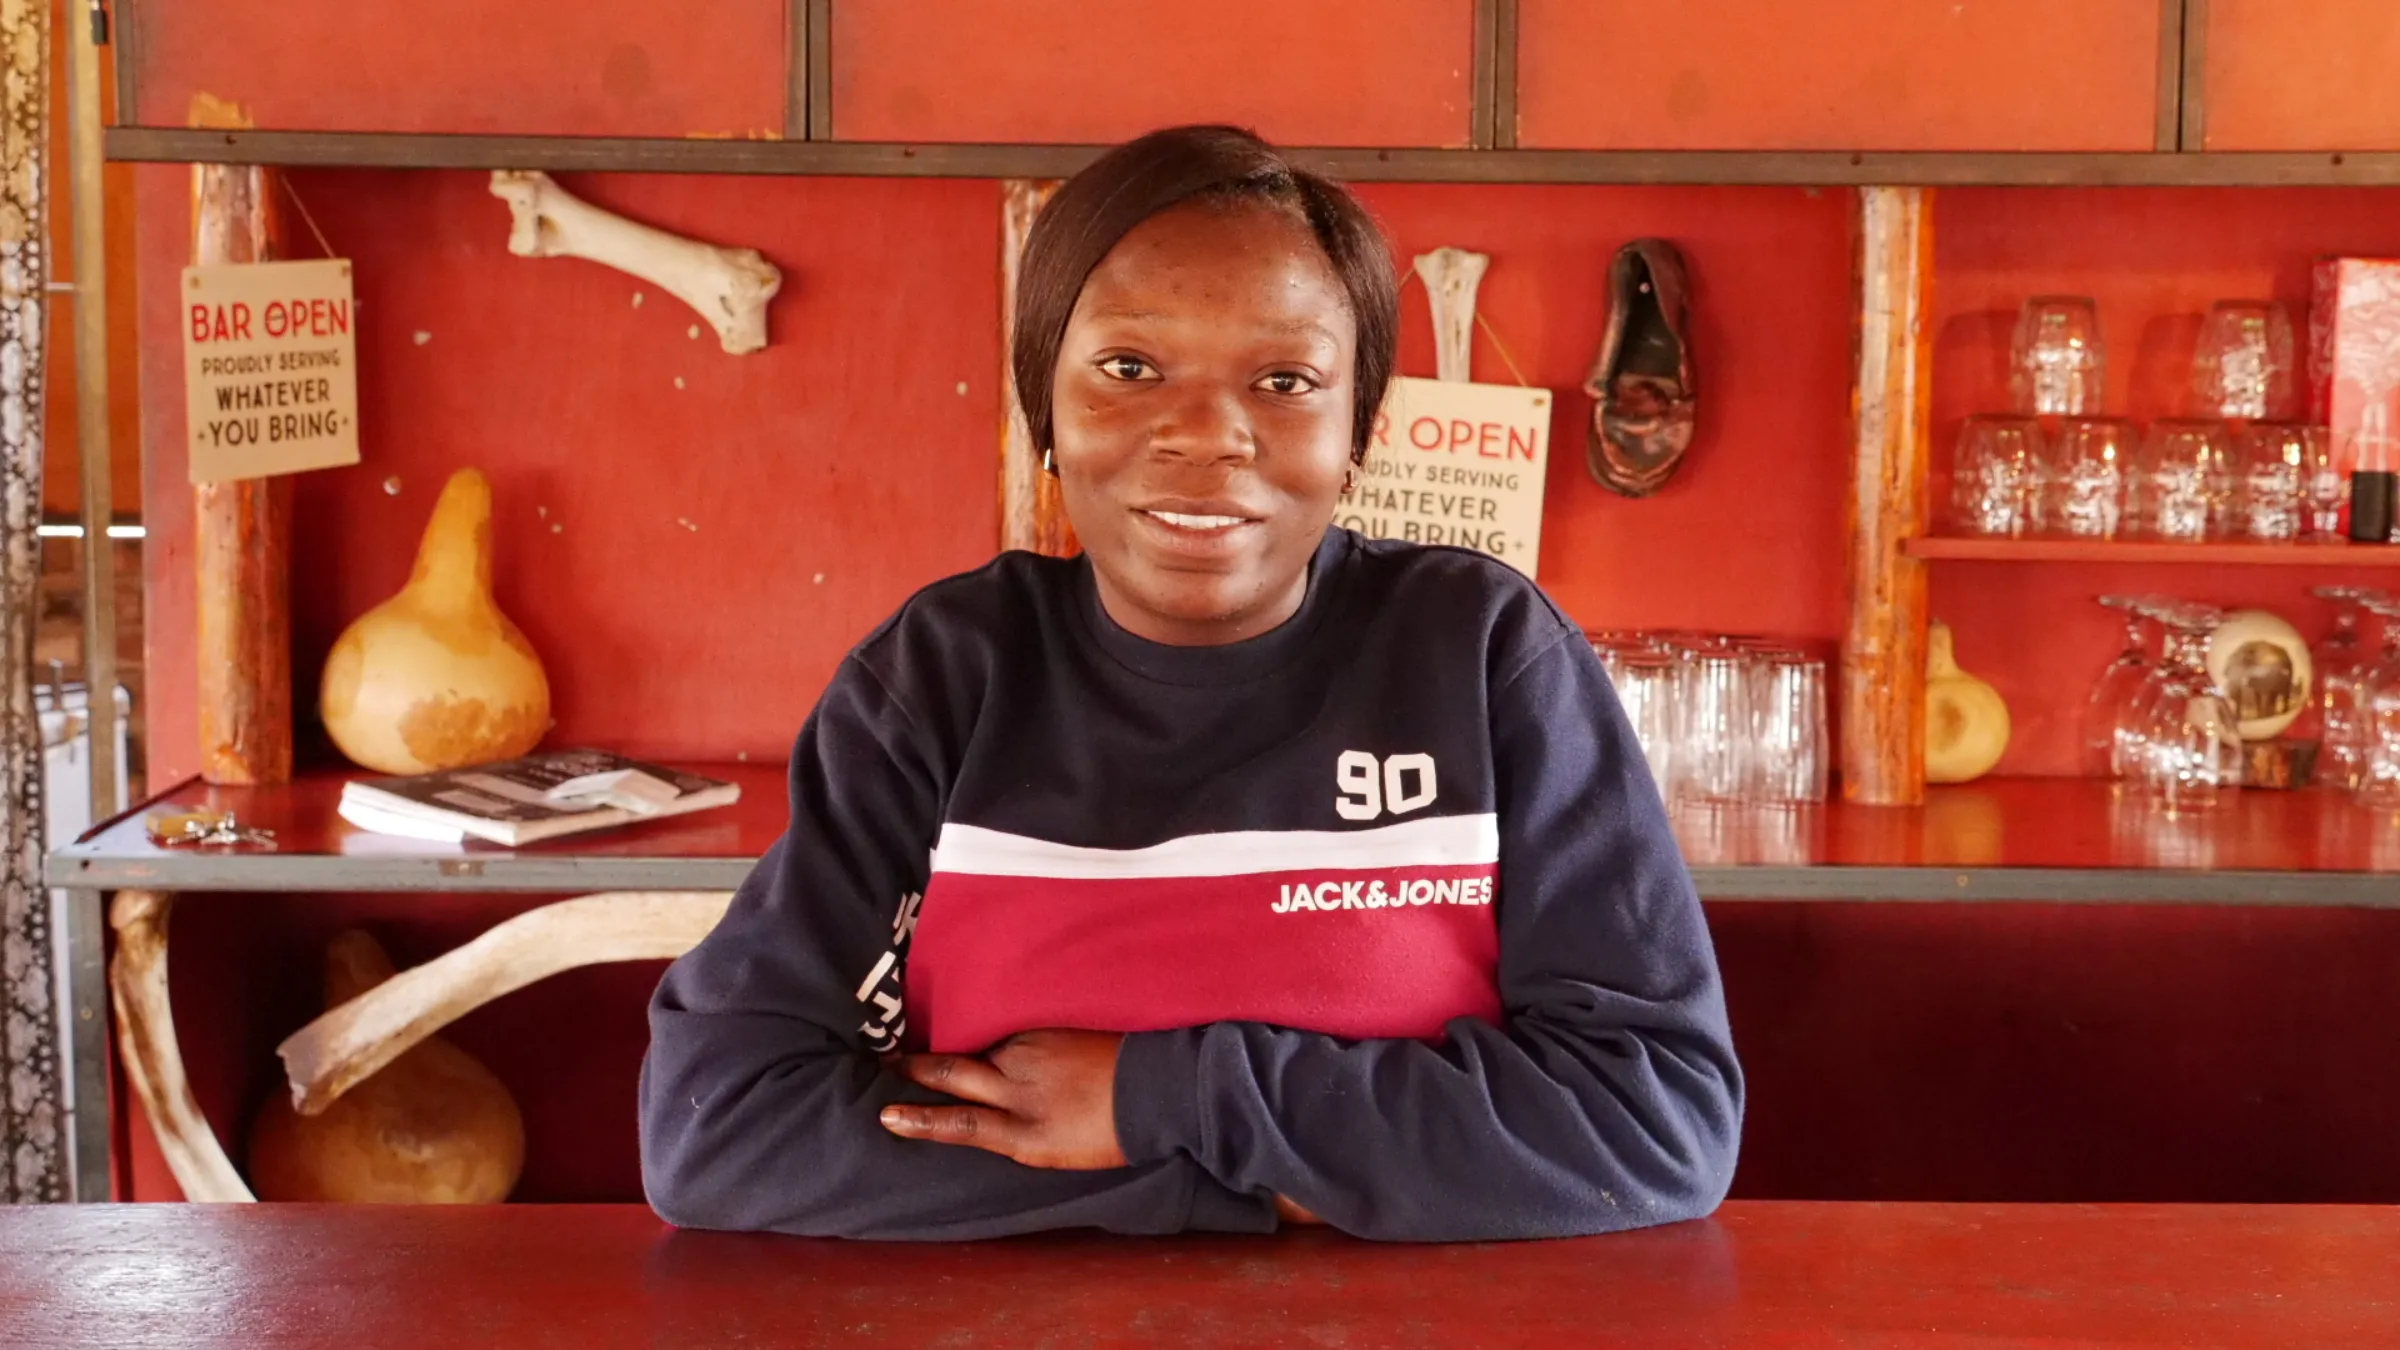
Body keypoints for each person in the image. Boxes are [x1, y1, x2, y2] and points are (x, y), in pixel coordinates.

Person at [639, 125, 1741, 1241]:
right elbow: (717, 1127)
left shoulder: (1481, 653)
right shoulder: (945, 678)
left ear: (1355, 430)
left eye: (1284, 380)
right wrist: (1264, 1186)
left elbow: (1653, 1123)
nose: (1208, 436)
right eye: (1129, 369)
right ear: (1046, 410)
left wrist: (1150, 1099)